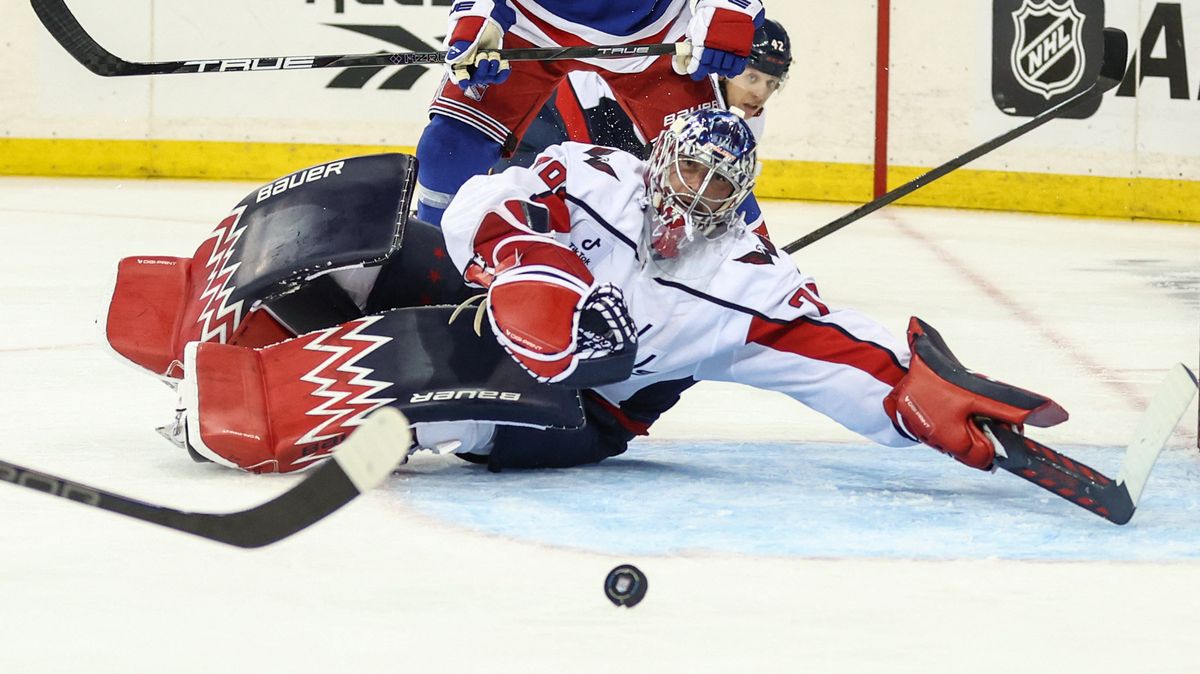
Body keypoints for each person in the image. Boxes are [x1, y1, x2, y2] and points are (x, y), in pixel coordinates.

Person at [123, 109, 1067, 474]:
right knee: (396, 219)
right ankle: (218, 298)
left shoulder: (742, 283)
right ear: (660, 159)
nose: (691, 197)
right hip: (508, 310)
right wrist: (536, 267)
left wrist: (912, 397)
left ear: (738, 203)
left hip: (577, 414)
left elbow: (837, 352)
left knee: (462, 375)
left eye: (716, 188)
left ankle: (268, 405)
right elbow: (485, 204)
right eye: (686, 171)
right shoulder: (592, 172)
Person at [413, 0, 766, 226]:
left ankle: (760, 281)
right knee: (449, 148)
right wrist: (478, 13)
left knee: (708, 160)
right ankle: (435, 264)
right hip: (528, 20)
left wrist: (726, 9)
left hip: (656, 23)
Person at [494, 17, 793, 171]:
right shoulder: (680, 84)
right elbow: (574, 96)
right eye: (752, 77)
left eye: (770, 83)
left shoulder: (745, 124)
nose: (759, 93)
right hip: (555, 113)